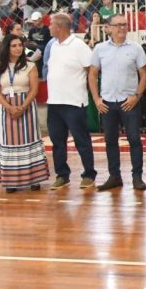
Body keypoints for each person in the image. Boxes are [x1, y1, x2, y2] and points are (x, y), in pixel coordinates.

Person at [87, 14, 146, 191]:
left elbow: (145, 74)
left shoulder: (136, 48)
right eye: (118, 25)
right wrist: (96, 99)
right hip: (107, 102)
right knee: (110, 141)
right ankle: (114, 176)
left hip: (129, 102)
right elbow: (92, 74)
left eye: (125, 24)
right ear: (108, 28)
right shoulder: (99, 49)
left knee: (134, 140)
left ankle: (137, 177)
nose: (122, 28)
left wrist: (136, 96)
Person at [45, 12, 98, 190]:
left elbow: (91, 70)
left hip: (74, 102)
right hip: (54, 102)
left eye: (51, 24)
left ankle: (89, 174)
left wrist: (91, 93)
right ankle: (62, 175)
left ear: (59, 26)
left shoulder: (78, 45)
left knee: (81, 140)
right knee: (57, 142)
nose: (49, 27)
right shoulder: (53, 45)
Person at [0, 34, 48, 192]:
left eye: (20, 45)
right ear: (7, 48)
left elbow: (34, 89)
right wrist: (9, 107)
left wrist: (22, 107)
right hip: (5, 108)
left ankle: (34, 179)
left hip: (26, 107)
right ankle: (11, 181)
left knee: (29, 140)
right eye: (14, 46)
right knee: (9, 142)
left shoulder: (30, 65)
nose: (18, 48)